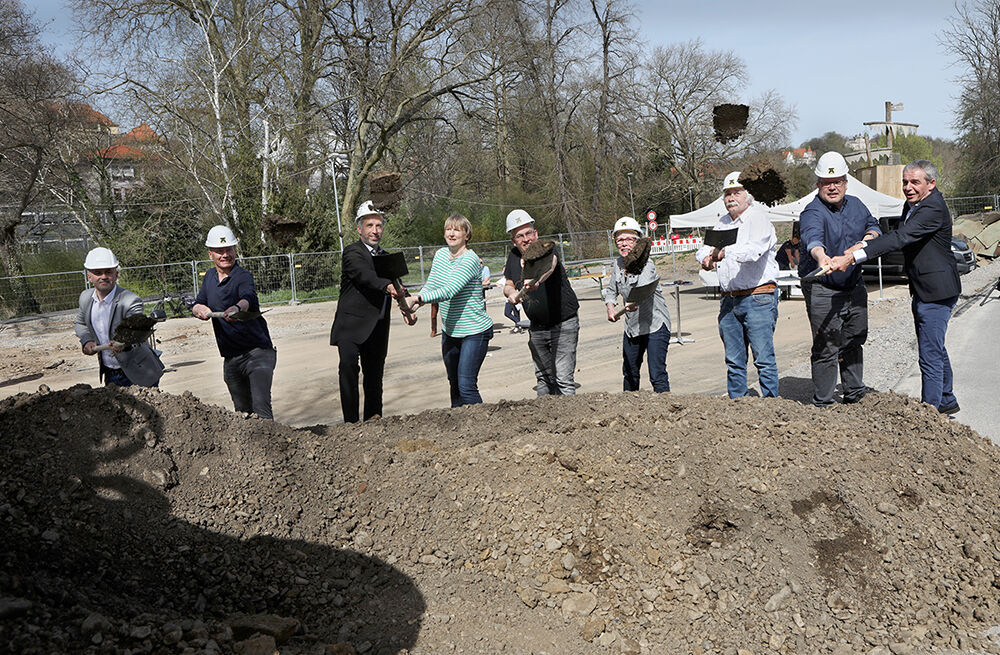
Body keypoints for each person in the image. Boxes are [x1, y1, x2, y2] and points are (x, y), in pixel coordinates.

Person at [830, 159, 961, 414]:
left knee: (929, 354)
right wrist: (863, 244)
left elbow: (901, 237)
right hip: (923, 288)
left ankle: (929, 415)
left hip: (937, 291)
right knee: (934, 347)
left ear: (931, 184)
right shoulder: (912, 205)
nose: (908, 187)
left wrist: (855, 256)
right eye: (905, 182)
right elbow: (897, 233)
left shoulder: (932, 208)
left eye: (915, 182)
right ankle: (946, 399)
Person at [798, 151, 882, 407]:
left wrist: (863, 242)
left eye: (837, 182)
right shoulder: (812, 211)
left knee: (854, 339)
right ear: (818, 184)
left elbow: (874, 227)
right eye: (826, 182)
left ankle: (854, 393)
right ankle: (823, 403)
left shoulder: (857, 205)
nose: (832, 187)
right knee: (826, 344)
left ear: (846, 182)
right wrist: (821, 256)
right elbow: (812, 237)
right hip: (823, 288)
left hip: (853, 284)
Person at [695, 172, 780, 398]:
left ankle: (772, 406)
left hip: (757, 296)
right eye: (727, 194)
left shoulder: (758, 219)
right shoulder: (722, 222)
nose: (731, 198)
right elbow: (705, 249)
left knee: (763, 358)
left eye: (737, 192)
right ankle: (738, 406)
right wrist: (706, 258)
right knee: (734, 360)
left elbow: (753, 251)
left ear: (748, 195)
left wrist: (724, 252)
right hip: (729, 300)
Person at [329, 202, 410, 423]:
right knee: (348, 370)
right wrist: (388, 286)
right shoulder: (352, 252)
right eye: (370, 225)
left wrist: (407, 305)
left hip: (377, 326)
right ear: (359, 229)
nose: (375, 230)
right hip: (351, 326)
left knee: (374, 375)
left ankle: (374, 420)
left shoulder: (386, 257)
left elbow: (399, 285)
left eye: (379, 225)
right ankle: (351, 423)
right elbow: (365, 275)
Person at [404, 214, 494, 407]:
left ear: (466, 235)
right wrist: (415, 305)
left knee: (466, 385)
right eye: (448, 229)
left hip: (474, 331)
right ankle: (458, 422)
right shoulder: (441, 255)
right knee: (454, 383)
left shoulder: (470, 260)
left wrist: (417, 299)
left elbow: (449, 290)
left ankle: (482, 422)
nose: (451, 233)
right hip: (450, 331)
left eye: (457, 230)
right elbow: (432, 284)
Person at [192, 225, 277, 419]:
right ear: (210, 254)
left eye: (228, 249)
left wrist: (237, 308)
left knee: (261, 407)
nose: (225, 255)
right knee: (242, 413)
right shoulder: (209, 277)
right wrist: (199, 309)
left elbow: (248, 298)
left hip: (257, 353)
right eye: (219, 251)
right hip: (231, 357)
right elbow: (198, 302)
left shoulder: (242, 276)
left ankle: (271, 438)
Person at [502, 209, 580, 395]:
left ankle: (570, 412)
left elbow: (550, 266)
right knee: (543, 378)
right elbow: (508, 283)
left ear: (535, 233)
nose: (526, 239)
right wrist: (511, 293)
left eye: (529, 233)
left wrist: (536, 280)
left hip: (563, 322)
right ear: (514, 241)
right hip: (537, 325)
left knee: (563, 379)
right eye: (520, 236)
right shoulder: (513, 256)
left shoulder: (546, 249)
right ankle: (544, 413)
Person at [74, 247, 164, 388]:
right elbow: (80, 323)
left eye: (108, 272)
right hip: (110, 372)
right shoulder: (85, 298)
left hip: (138, 371)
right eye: (98, 273)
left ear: (116, 274)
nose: (104, 276)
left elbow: (134, 330)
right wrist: (87, 340)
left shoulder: (130, 300)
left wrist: (123, 341)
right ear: (89, 276)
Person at [603, 216, 671, 393]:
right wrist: (610, 307)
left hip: (655, 325)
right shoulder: (618, 264)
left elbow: (643, 290)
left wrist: (633, 302)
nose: (624, 244)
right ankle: (629, 406)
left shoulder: (647, 264)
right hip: (632, 327)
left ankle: (665, 406)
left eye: (629, 239)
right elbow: (611, 290)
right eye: (620, 240)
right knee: (630, 372)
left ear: (637, 242)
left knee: (657, 373)